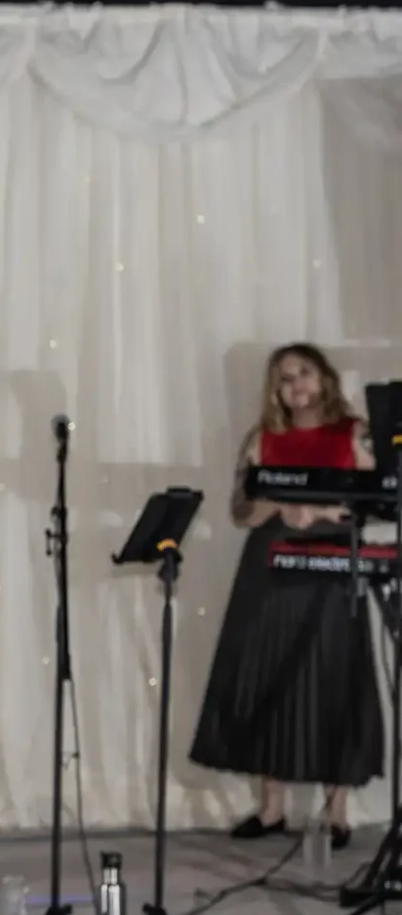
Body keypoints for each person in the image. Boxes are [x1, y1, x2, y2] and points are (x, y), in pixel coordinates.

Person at [192, 342, 381, 850]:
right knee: (264, 675)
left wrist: (315, 513)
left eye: (304, 373)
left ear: (324, 378)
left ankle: (336, 812)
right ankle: (270, 807)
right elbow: (240, 509)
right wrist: (277, 503)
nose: (295, 385)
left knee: (334, 678)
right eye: (283, 378)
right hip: (268, 566)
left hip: (333, 565)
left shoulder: (355, 432)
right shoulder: (263, 438)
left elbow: (371, 503)